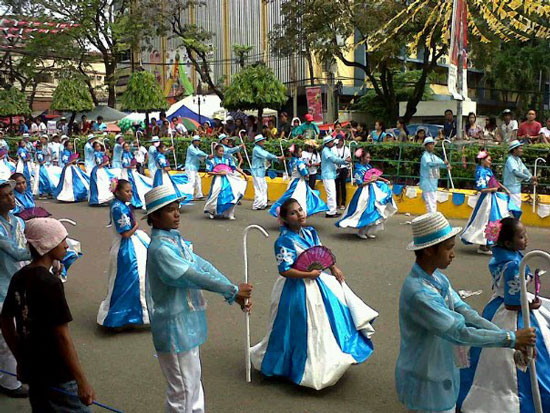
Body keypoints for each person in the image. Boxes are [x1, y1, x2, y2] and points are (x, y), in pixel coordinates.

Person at [395, 212, 536, 413]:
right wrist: (511, 338)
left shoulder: (437, 279)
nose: (453, 254)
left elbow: (466, 312)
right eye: (448, 248)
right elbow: (459, 332)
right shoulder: (420, 293)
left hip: (440, 368)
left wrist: (513, 340)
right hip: (425, 377)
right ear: (428, 251)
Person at [144, 184, 252, 412]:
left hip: (185, 324)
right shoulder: (161, 249)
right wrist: (232, 291)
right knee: (182, 390)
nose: (176, 214)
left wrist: (233, 291)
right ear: (154, 216)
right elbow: (192, 275)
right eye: (169, 210)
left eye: (177, 208)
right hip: (173, 326)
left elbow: (203, 266)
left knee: (192, 383)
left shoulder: (174, 241)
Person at [251, 197, 378, 390]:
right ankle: (291, 365)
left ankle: (319, 361)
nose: (300, 214)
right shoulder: (283, 241)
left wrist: (333, 268)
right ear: (284, 219)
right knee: (295, 327)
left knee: (324, 324)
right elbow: (284, 270)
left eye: (300, 210)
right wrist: (307, 274)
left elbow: (321, 253)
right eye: (293, 212)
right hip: (295, 289)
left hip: (317, 284)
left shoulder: (310, 232)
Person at [1, 217, 95, 410]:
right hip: (57, 370)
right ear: (48, 245)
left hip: (33, 369)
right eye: (62, 240)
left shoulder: (20, 276)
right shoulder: (51, 284)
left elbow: (5, 320)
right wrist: (81, 381)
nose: (66, 246)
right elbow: (62, 336)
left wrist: (20, 359)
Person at [459, 217, 550, 412]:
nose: (526, 239)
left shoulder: (502, 256)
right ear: (508, 242)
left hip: (495, 308)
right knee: (522, 358)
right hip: (512, 313)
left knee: (486, 357)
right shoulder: (514, 265)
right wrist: (530, 306)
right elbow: (512, 302)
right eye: (521, 236)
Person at [97, 179, 150, 328]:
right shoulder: (118, 208)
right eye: (127, 191)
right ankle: (122, 315)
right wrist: (137, 227)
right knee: (131, 279)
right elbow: (126, 233)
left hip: (125, 245)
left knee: (128, 280)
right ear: (118, 192)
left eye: (131, 191)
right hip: (125, 249)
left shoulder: (119, 205)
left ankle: (127, 314)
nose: (130, 194)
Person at [0, 179, 30, 398]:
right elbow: (17, 251)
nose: (11, 198)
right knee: (5, 335)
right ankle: (9, 382)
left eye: (11, 194)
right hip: (1, 285)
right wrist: (46, 249)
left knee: (18, 331)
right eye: (4, 196)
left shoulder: (18, 221)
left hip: (16, 280)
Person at [460, 150, 519, 255]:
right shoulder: (480, 172)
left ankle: (488, 243)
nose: (490, 162)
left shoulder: (488, 170)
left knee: (493, 220)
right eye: (489, 160)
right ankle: (483, 245)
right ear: (483, 160)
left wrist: (505, 189)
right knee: (483, 221)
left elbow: (495, 182)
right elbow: (481, 189)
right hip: (485, 200)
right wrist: (492, 190)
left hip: (491, 198)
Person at [336, 148, 397, 239]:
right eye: (367, 157)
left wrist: (383, 179)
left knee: (375, 210)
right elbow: (360, 184)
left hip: (373, 191)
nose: (369, 159)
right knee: (364, 211)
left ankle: (368, 231)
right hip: (363, 194)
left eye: (369, 158)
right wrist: (370, 181)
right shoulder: (358, 170)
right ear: (362, 158)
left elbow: (374, 176)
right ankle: (361, 231)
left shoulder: (368, 167)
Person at [269, 144, 328, 218]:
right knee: (301, 199)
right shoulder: (300, 163)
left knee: (288, 198)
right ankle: (298, 216)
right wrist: (307, 173)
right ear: (296, 153)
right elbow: (305, 173)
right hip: (299, 183)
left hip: (292, 181)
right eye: (300, 152)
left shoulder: (291, 162)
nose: (301, 153)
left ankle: (285, 213)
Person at [203, 144, 247, 220]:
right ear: (216, 151)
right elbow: (209, 172)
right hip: (217, 179)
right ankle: (211, 211)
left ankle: (229, 213)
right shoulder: (212, 161)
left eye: (223, 151)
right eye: (220, 151)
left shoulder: (227, 159)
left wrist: (244, 174)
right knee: (215, 194)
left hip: (227, 179)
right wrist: (218, 173)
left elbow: (234, 168)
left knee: (231, 195)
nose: (222, 153)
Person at [321, 135, 350, 217]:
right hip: (327, 175)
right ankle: (330, 212)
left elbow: (335, 159)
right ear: (327, 143)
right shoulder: (326, 151)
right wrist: (344, 161)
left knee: (332, 193)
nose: (333, 142)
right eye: (331, 142)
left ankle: (332, 210)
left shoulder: (328, 150)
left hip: (330, 175)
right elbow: (334, 159)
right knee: (331, 194)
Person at [419, 137, 450, 213]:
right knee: (429, 202)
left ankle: (433, 217)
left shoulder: (434, 157)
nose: (432, 146)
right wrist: (442, 163)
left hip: (433, 183)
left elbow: (441, 163)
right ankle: (432, 218)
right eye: (430, 144)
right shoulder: (425, 157)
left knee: (433, 201)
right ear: (426, 146)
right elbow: (430, 164)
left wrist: (446, 165)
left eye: (432, 144)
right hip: (427, 183)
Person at [251, 135, 282, 210]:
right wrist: (277, 157)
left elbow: (266, 155)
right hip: (257, 171)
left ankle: (262, 204)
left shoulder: (260, 149)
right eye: (262, 141)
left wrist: (276, 158)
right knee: (259, 187)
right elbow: (266, 155)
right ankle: (257, 205)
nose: (263, 142)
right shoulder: (256, 149)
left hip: (260, 171)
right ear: (258, 142)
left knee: (263, 187)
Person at [503, 140, 535, 210]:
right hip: (510, 189)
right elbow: (516, 172)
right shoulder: (510, 160)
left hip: (517, 189)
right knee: (513, 210)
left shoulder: (518, 160)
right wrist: (529, 178)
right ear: (514, 150)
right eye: (520, 148)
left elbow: (525, 169)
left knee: (516, 209)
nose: (521, 150)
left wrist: (532, 178)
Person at [120, 142, 152, 209]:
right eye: (126, 147)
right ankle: (130, 201)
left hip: (132, 172)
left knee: (137, 186)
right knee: (129, 186)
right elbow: (124, 165)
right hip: (127, 173)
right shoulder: (124, 155)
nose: (127, 148)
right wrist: (131, 166)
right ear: (123, 148)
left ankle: (134, 201)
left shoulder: (130, 154)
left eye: (128, 146)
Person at [89, 141, 115, 206]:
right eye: (97, 146)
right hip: (97, 171)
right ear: (94, 148)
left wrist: (106, 156)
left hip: (102, 170)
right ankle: (98, 200)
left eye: (100, 146)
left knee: (105, 184)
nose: (99, 148)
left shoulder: (101, 153)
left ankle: (105, 198)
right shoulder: (95, 154)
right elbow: (99, 164)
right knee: (99, 186)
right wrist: (105, 163)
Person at [185, 136, 209, 201]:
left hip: (195, 168)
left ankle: (199, 195)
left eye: (199, 141)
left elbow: (201, 153)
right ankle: (190, 196)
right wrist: (207, 156)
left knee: (198, 180)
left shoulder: (197, 148)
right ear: (194, 141)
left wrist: (207, 157)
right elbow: (198, 154)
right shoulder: (190, 148)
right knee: (192, 182)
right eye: (197, 141)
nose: (198, 142)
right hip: (190, 168)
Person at [332, 136, 351, 210]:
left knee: (343, 186)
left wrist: (349, 169)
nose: (340, 142)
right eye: (339, 140)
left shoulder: (346, 149)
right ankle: (336, 203)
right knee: (336, 186)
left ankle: (343, 203)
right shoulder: (333, 149)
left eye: (341, 140)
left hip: (344, 168)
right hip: (336, 169)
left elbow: (349, 160)